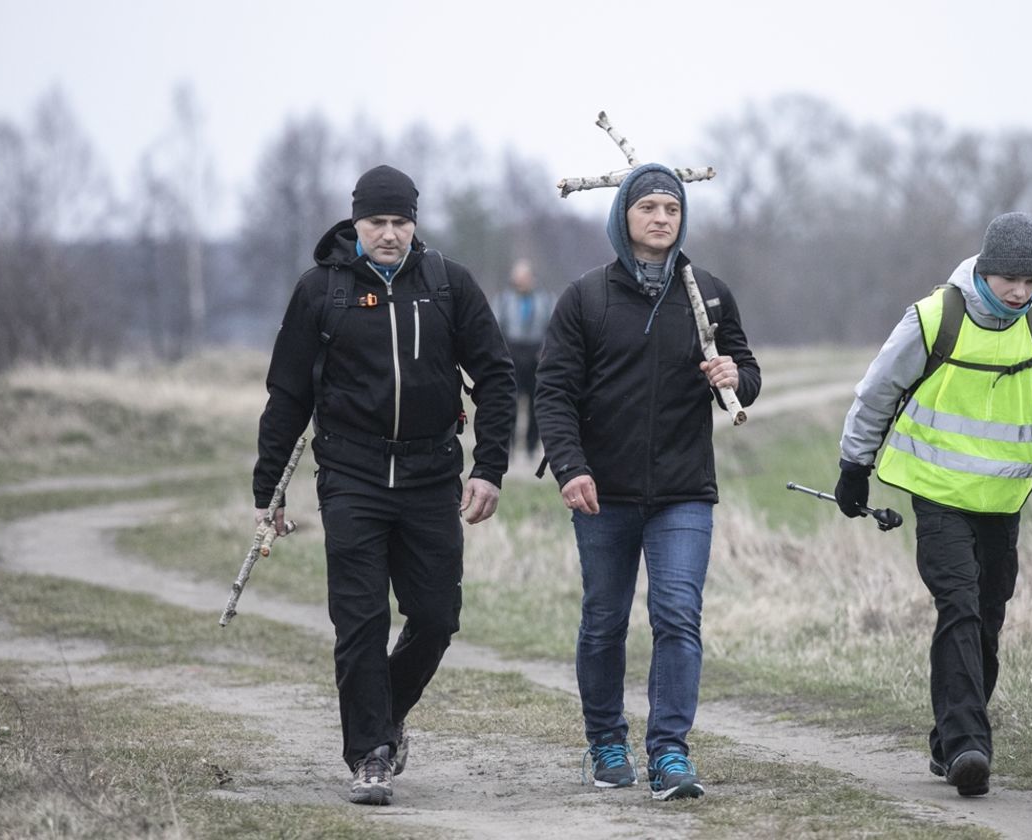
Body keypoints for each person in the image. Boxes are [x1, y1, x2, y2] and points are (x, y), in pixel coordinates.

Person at [252, 165, 516, 806]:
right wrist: (269, 492)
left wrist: (488, 468)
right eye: (378, 223)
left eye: (401, 222)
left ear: (414, 223)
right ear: (357, 223)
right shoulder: (322, 291)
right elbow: (286, 395)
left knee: (435, 618)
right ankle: (369, 753)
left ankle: (383, 714)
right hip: (352, 477)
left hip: (432, 475)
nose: (390, 234)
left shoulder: (449, 285)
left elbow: (498, 378)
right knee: (361, 619)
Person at [836, 211, 1032, 797]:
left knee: (987, 616)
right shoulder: (934, 318)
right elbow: (877, 391)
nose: (1020, 292)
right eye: (1011, 277)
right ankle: (967, 746)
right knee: (957, 605)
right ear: (985, 268)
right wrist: (854, 466)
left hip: (1002, 497)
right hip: (936, 495)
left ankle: (948, 739)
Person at [535, 163, 761, 801]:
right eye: (649, 208)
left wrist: (733, 378)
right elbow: (552, 392)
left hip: (684, 491)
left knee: (677, 617)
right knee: (604, 620)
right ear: (623, 217)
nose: (662, 218)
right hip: (601, 492)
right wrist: (572, 467)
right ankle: (606, 741)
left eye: (672, 208)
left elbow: (748, 370)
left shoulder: (707, 293)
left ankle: (669, 754)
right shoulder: (586, 297)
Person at [492, 258, 556, 459]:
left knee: (536, 405)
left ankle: (531, 447)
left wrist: (545, 352)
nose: (521, 281)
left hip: (536, 356)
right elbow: (495, 329)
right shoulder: (503, 300)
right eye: (517, 277)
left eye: (524, 276)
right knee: (509, 403)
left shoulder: (546, 300)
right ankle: (507, 446)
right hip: (511, 356)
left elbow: (553, 329)